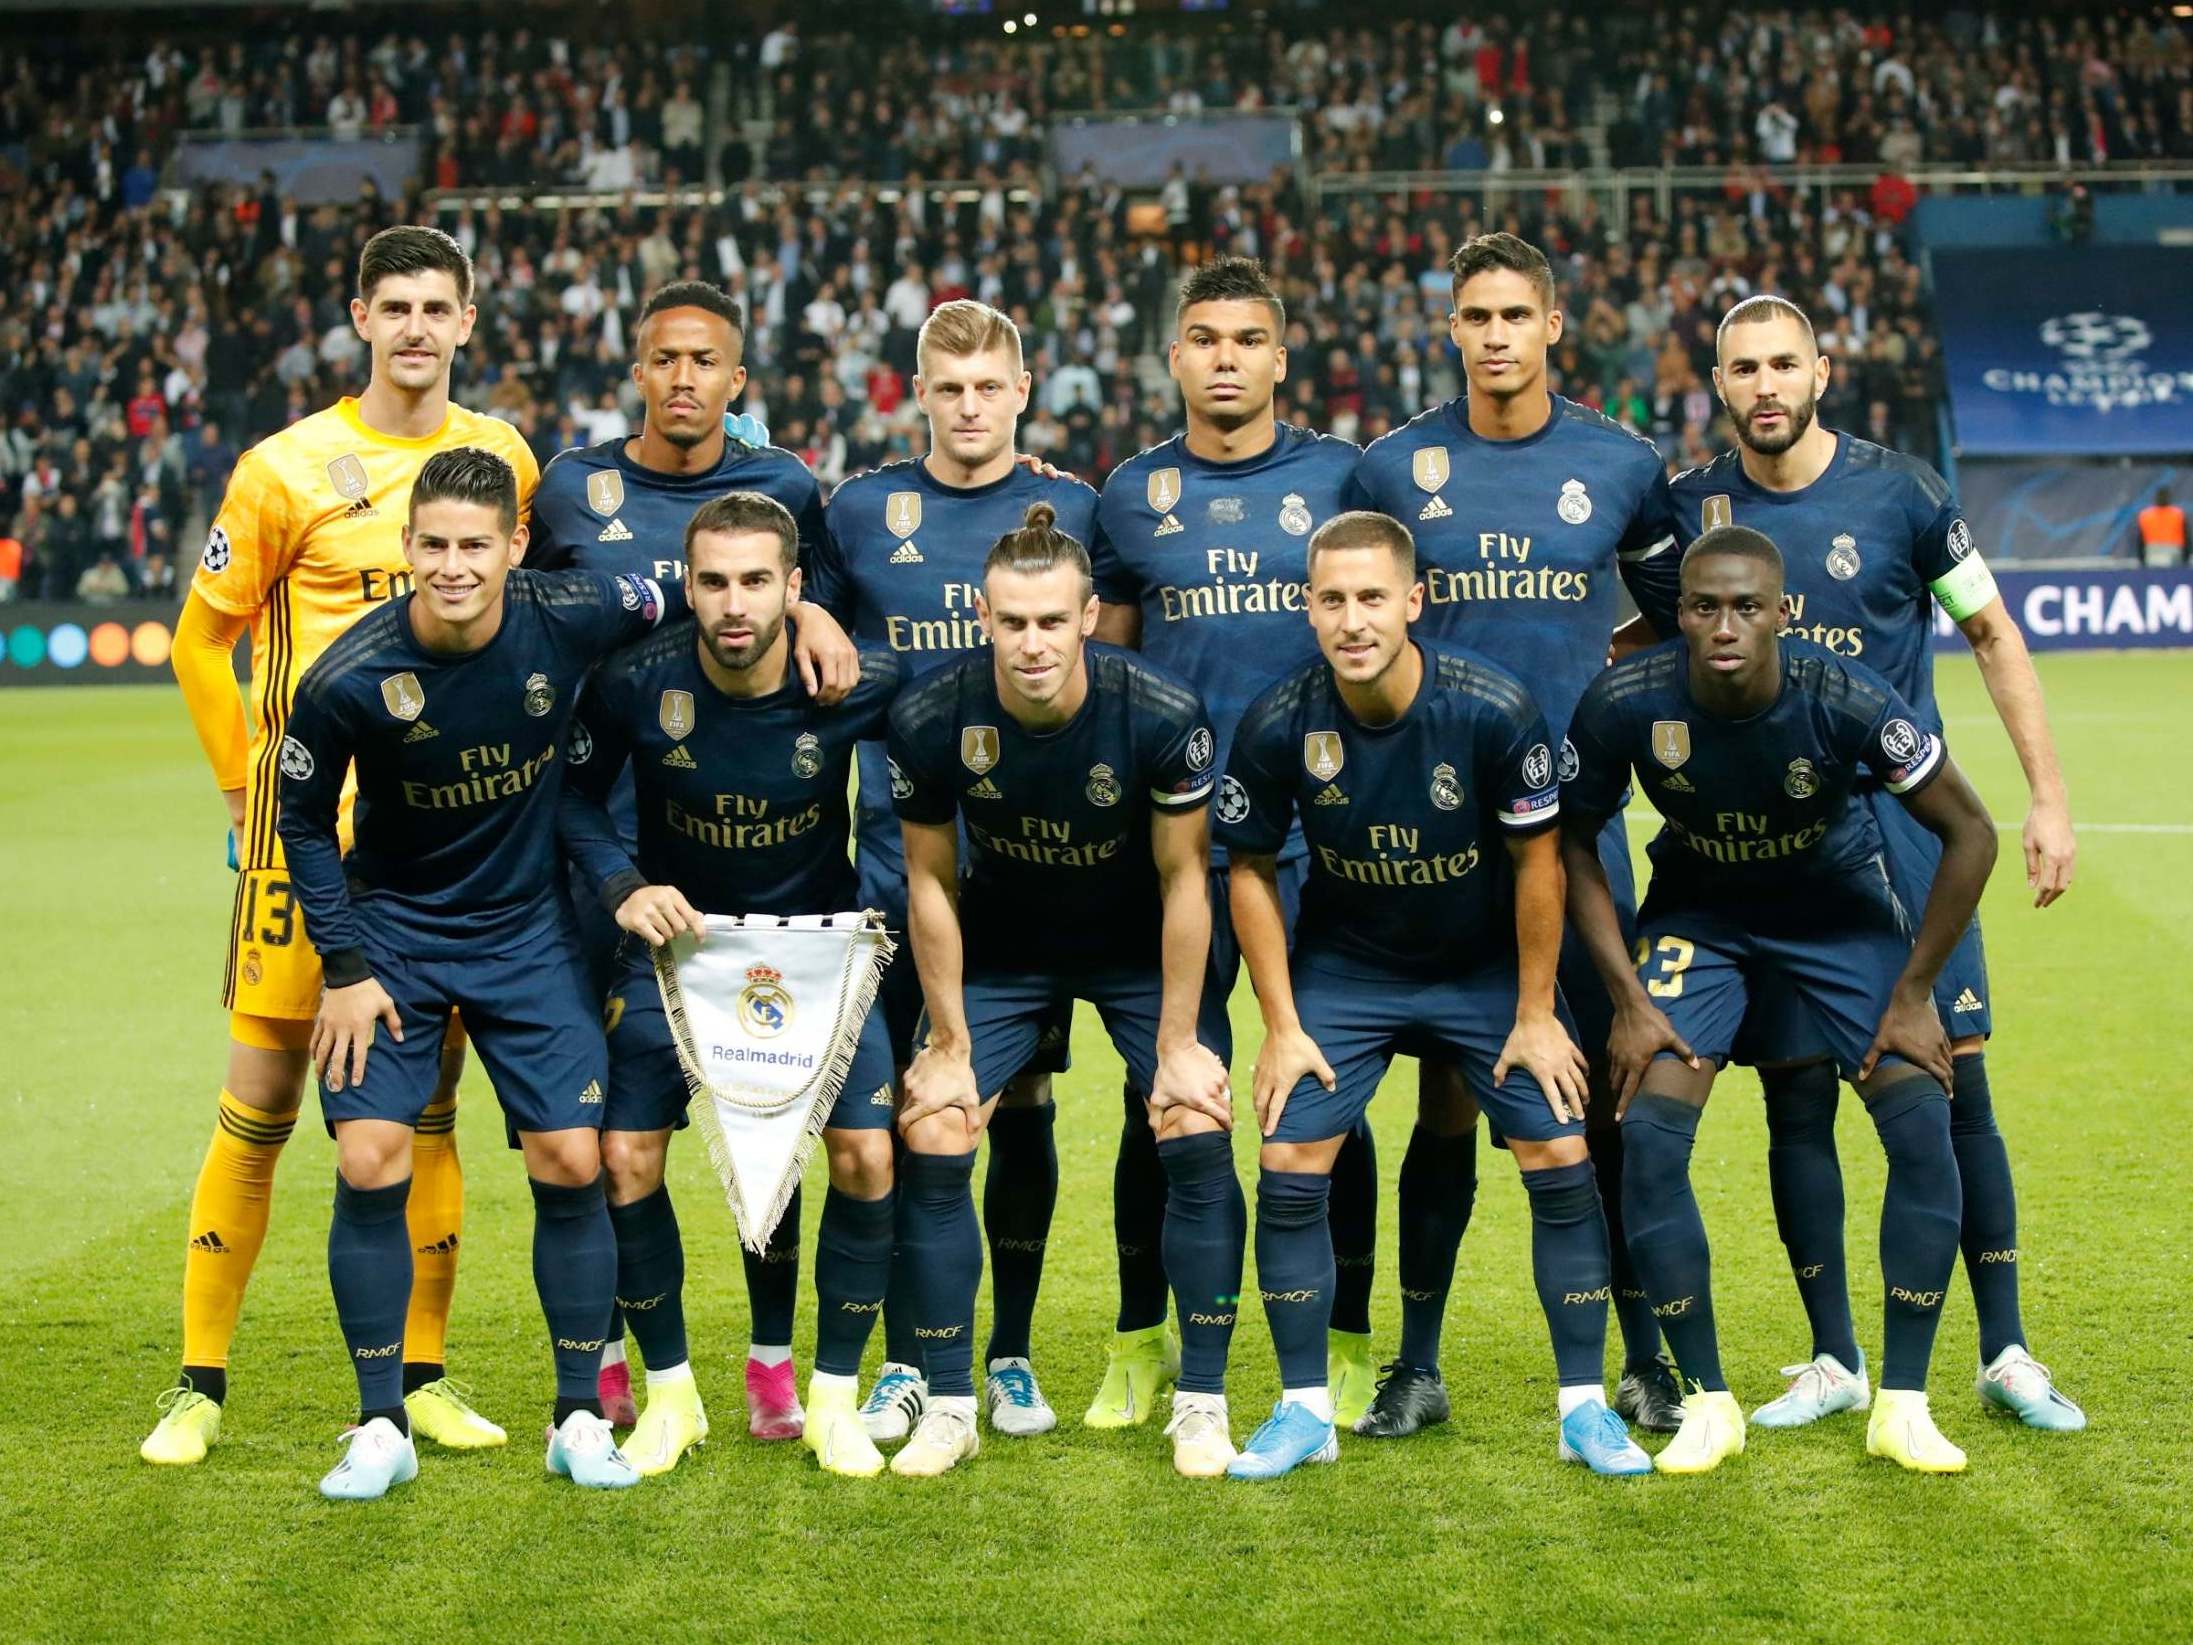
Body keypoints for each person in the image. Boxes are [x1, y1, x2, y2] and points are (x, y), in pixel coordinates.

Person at [144, 225, 536, 1468]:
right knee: (259, 1098)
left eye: (439, 307)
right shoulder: (284, 469)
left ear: (468, 321)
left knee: (423, 1111)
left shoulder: (503, 461)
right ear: (360, 317)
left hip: (445, 850)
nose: (417, 328)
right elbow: (198, 641)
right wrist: (245, 792)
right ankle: (200, 1383)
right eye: (395, 306)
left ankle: (420, 1376)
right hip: (307, 841)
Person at [1671, 294, 2084, 1432]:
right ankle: (1833, 1357)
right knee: (1795, 1099)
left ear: (1823, 369)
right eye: (1743, 367)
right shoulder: (1688, 509)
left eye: (1783, 364)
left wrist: (2046, 797)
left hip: (1904, 840)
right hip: (1766, 851)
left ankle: (2005, 1348)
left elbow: (1993, 633)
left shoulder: (1903, 495)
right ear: (1717, 383)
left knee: (1957, 1087)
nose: (1765, 385)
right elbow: (1649, 651)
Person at [1220, 511, 1653, 1481]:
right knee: (1291, 1143)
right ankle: (1301, 1411)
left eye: (1373, 597)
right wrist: (1281, 1027)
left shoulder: (1491, 708)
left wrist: (1537, 1011)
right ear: (1308, 608)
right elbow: (1247, 871)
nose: (1353, 619)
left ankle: (1584, 1407)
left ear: (1413, 601)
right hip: (1350, 969)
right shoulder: (1281, 719)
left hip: (1480, 968)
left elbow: (1538, 859)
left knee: (1558, 1143)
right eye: (1332, 599)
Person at [1561, 524, 1999, 1475]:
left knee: (1920, 1122)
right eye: (1705, 606)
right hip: (1701, 919)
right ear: (1677, 613)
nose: (1725, 625)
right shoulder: (1623, 701)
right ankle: (1708, 1401)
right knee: (1648, 1130)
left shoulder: (1843, 697)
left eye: (1747, 607)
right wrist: (1628, 999)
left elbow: (1970, 831)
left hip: (1837, 917)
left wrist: (1915, 990)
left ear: (1783, 614)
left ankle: (1904, 1403)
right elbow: (1571, 843)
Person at [277, 446, 671, 1499]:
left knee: (571, 1159)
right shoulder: (348, 678)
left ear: (515, 548)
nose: (454, 567)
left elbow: (689, 581)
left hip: (528, 926)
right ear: (407, 547)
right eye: (435, 546)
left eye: (474, 547)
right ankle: (378, 1424)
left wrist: (810, 613)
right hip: (393, 934)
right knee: (368, 1158)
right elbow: (304, 821)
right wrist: (347, 966)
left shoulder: (575, 608)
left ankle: (579, 1415)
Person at [1344, 231, 1687, 1435]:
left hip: (1580, 839)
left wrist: (1607, 697)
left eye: (1512, 315)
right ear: (1451, 330)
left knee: (1600, 1100)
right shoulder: (1394, 468)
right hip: (1433, 845)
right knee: (1445, 1099)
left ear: (1553, 325)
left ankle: (1643, 1359)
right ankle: (1418, 1363)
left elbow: (1671, 617)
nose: (1493, 336)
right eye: (1472, 316)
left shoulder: (1623, 463)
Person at [526, 277, 857, 1435]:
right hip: (598, 847)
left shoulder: (783, 489)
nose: (681, 379)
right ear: (636, 368)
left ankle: (773, 1367)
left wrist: (817, 619)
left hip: (742, 837)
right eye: (662, 359)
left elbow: (829, 619)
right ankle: (618, 1357)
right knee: (612, 1133)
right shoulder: (570, 484)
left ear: (737, 381)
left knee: (771, 1122)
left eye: (703, 361)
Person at [1087, 256, 1382, 1431]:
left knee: (1330, 1091)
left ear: (1278, 355)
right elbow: (1106, 660)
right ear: (1175, 359)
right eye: (1202, 338)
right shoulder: (1128, 493)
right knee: (1159, 1096)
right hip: (1177, 849)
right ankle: (1140, 1340)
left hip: (1325, 844)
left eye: (1245, 338)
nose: (1223, 357)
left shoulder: (1340, 476)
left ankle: (1350, 1343)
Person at [884, 503, 1236, 1478]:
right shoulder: (929, 714)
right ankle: (951, 1402)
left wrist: (1176, 1041)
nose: (1031, 642)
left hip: (1132, 943)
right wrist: (948, 1040)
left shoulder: (1160, 713)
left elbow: (1183, 879)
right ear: (981, 617)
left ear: (1087, 616)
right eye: (1012, 622)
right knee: (937, 1125)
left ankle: (1201, 1401)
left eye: (1051, 621)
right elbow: (929, 880)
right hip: (1007, 941)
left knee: (1193, 1115)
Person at [560, 491, 903, 1478]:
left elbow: (952, 734)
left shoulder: (854, 679)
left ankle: (831, 1398)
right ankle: (672, 1399)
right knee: (625, 1158)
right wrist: (625, 885)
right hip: (679, 956)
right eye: (713, 581)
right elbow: (574, 798)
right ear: (687, 585)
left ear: (795, 587)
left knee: (867, 1160)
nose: (734, 602)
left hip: (816, 955)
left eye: (758, 580)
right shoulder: (636, 682)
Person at [805, 299, 1099, 1443]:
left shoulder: (1072, 508)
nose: (970, 408)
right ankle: (903, 1361)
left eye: (991, 388)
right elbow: (816, 642)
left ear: (1024, 392)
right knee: (890, 1112)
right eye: (949, 388)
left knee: (1017, 1100)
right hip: (892, 867)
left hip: (1030, 875)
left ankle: (1010, 1352)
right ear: (916, 393)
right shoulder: (864, 512)